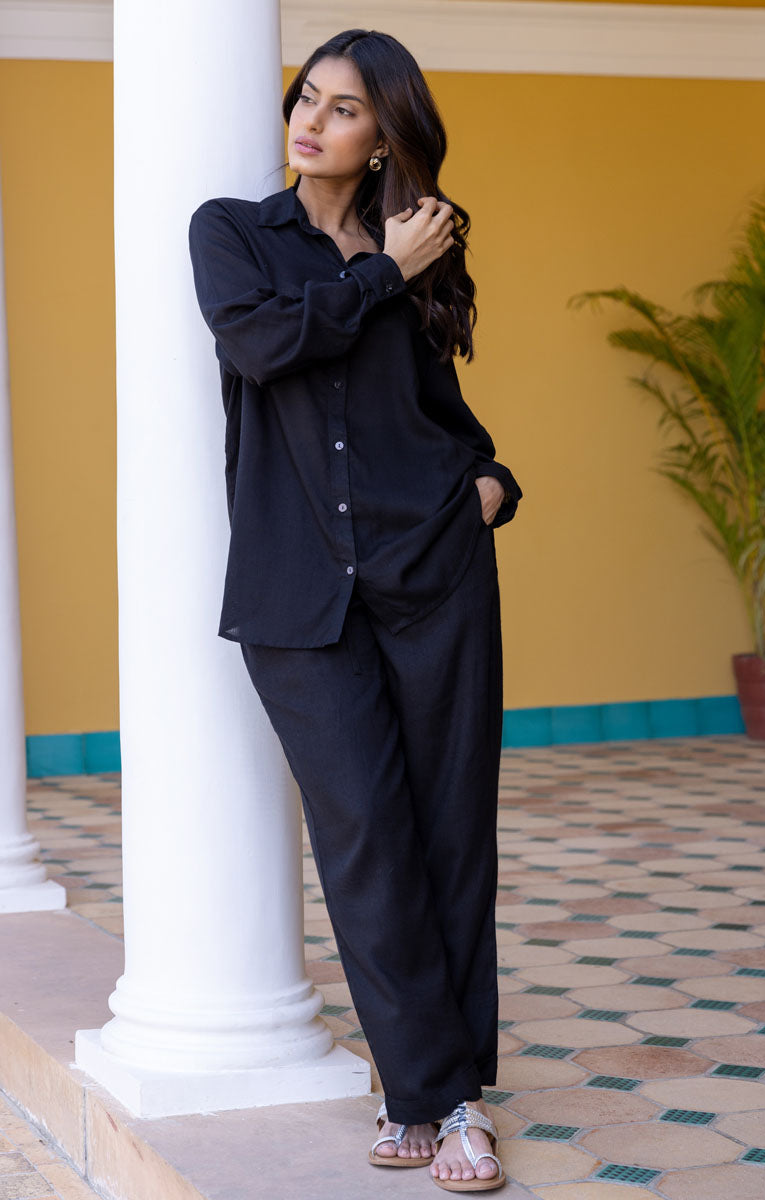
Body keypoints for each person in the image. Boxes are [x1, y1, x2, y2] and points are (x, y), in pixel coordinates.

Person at [188, 27, 521, 1193]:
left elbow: (443, 412)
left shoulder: (420, 244)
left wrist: (491, 483)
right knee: (367, 837)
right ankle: (438, 1092)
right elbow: (262, 344)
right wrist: (382, 272)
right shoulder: (234, 232)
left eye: (342, 109)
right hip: (297, 593)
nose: (311, 121)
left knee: (450, 835)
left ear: (385, 137)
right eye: (306, 98)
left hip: (434, 574)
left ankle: (436, 1094)